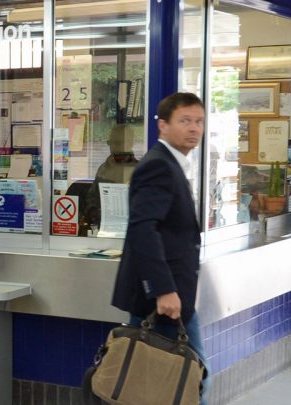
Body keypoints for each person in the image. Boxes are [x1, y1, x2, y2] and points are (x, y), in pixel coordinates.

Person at [109, 92, 210, 402]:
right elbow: (143, 229)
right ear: (162, 126)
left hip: (172, 294)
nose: (194, 128)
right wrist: (163, 289)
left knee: (160, 381)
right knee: (192, 378)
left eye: (199, 122)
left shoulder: (173, 164)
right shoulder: (158, 166)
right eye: (185, 121)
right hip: (163, 297)